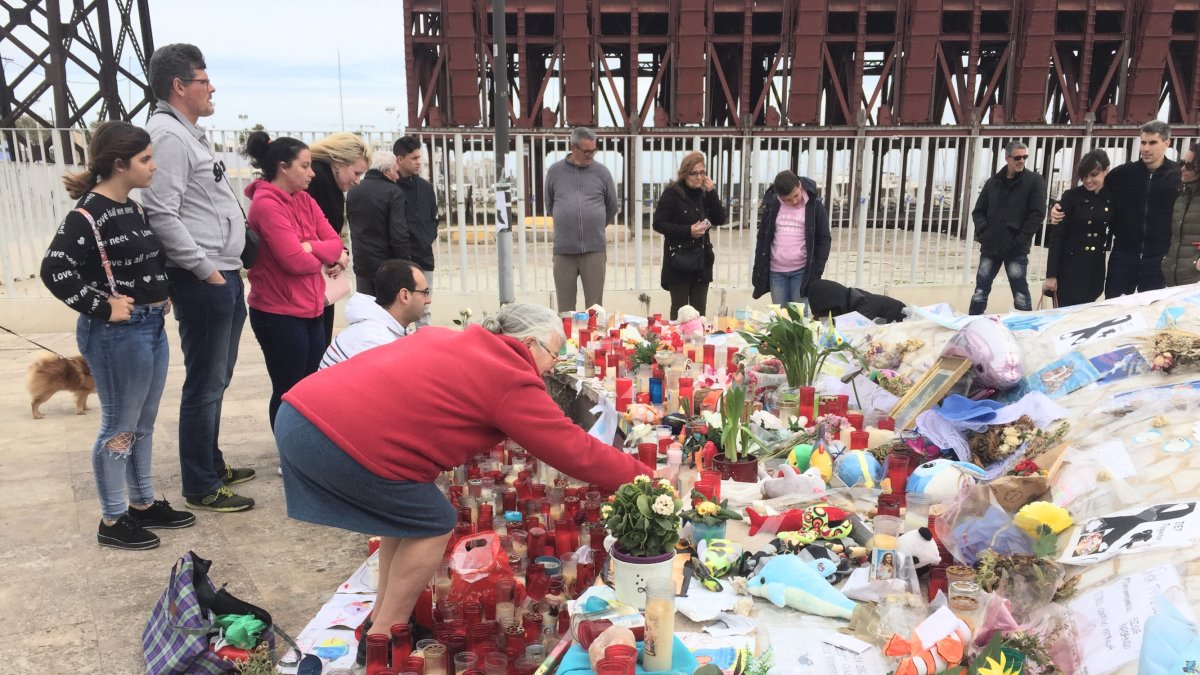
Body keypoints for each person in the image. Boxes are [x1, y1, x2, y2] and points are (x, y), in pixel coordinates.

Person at [273, 303, 649, 655]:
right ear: (530, 343)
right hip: (331, 436)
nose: (552, 368)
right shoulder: (508, 375)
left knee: (405, 513)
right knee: (434, 522)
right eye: (553, 355)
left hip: (301, 413)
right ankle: (383, 641)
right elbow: (574, 450)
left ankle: (383, 620)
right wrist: (648, 479)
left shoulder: (454, 340)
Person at [40, 121, 195, 548]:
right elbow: (55, 270)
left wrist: (156, 292)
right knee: (118, 425)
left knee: (141, 423)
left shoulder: (132, 207)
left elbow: (145, 259)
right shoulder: (87, 215)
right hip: (117, 336)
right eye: (145, 159)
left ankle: (142, 504)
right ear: (119, 163)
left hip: (149, 329)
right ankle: (112, 520)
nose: (153, 166)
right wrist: (103, 306)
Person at [142, 43, 255, 513]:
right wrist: (204, 269)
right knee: (205, 381)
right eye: (205, 81)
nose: (212, 89)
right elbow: (159, 210)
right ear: (180, 86)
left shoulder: (188, 133)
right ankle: (201, 483)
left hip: (222, 271)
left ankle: (210, 460)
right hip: (203, 276)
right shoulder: (167, 135)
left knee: (218, 378)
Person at [242, 132, 349, 428]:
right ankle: (288, 452)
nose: (312, 173)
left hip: (312, 307)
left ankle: (303, 446)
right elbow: (294, 261)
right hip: (278, 312)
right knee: (289, 389)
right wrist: (320, 251)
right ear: (283, 167)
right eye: (305, 166)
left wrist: (312, 246)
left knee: (311, 385)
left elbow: (334, 243)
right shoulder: (266, 204)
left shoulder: (304, 200)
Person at [1052, 121, 1180, 297]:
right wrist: (1059, 205)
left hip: (1158, 256)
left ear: (1167, 143)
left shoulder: (1177, 175)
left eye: (1152, 143)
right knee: (1112, 306)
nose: (1146, 148)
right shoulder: (1123, 174)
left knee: (1151, 309)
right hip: (1124, 254)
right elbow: (1091, 192)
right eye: (1143, 142)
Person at [306, 132, 372, 345]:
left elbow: (326, 231)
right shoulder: (319, 180)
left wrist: (340, 252)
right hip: (310, 279)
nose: (358, 181)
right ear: (339, 162)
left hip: (320, 275)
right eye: (356, 173)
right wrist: (336, 254)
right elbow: (309, 231)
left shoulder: (328, 182)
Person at [968, 141, 1047, 315]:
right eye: (1017, 157)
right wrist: (984, 234)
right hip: (991, 245)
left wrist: (1020, 240)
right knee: (981, 290)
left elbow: (1038, 213)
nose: (1021, 161)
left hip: (1016, 247)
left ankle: (1024, 328)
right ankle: (971, 324)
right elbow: (978, 211)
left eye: (1024, 157)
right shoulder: (993, 182)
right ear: (1007, 158)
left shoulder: (1034, 181)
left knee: (1020, 292)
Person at [545, 127, 618, 312]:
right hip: (563, 251)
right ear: (573, 147)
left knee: (595, 310)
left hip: (594, 250)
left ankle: (593, 340)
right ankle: (567, 341)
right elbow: (550, 205)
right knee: (565, 310)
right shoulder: (554, 172)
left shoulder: (602, 173)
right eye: (587, 151)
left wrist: (595, 226)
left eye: (594, 150)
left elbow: (612, 206)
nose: (591, 155)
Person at [652, 151, 727, 319]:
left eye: (702, 172)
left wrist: (712, 192)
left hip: (701, 260)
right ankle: (676, 344)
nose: (698, 177)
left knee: (699, 312)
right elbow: (658, 223)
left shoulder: (704, 194)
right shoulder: (672, 194)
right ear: (685, 173)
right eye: (694, 173)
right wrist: (688, 231)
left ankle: (696, 344)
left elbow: (720, 219)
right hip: (679, 260)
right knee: (680, 311)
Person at [321, 259, 431, 368]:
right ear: (404, 295)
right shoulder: (375, 341)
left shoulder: (380, 327)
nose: (428, 300)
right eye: (425, 293)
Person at [750, 170, 832, 306]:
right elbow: (763, 238)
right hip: (776, 272)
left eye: (796, 195)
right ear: (779, 197)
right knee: (780, 317)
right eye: (787, 200)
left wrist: (817, 269)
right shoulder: (772, 206)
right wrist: (759, 268)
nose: (794, 201)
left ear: (799, 186)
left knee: (799, 318)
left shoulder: (815, 206)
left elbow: (824, 239)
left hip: (802, 272)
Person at [1043, 150, 1113, 306]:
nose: (1088, 180)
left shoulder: (1111, 196)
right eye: (1084, 176)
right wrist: (1051, 275)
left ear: (1106, 171)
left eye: (1094, 175)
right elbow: (1057, 238)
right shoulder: (1071, 197)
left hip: (1094, 269)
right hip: (1069, 269)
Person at [347, 150, 409, 295]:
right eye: (396, 172)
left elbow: (351, 223)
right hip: (388, 265)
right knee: (387, 311)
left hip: (362, 263)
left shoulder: (354, 191)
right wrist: (405, 262)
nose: (397, 176)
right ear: (387, 171)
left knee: (367, 309)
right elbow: (398, 233)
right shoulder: (394, 192)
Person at [393, 136, 439, 327]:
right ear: (399, 159)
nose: (418, 162)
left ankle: (424, 346)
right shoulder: (391, 188)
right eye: (413, 158)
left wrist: (426, 238)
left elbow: (434, 219)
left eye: (419, 157)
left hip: (424, 258)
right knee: (397, 308)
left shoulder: (426, 188)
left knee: (424, 307)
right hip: (399, 259)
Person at [1162, 143, 1200, 287]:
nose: (1183, 168)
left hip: (1195, 281)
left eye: (1190, 166)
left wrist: (1196, 264)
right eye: (1182, 163)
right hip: (1174, 278)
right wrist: (1167, 261)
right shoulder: (1181, 197)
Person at [806, 279, 906, 324]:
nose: (824, 318)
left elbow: (856, 337)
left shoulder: (863, 308)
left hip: (901, 319)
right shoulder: (847, 298)